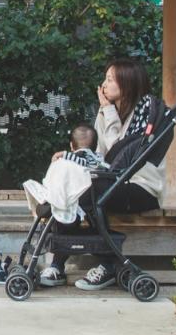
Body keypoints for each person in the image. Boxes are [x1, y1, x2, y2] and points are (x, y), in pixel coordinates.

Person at [22, 57, 165, 290]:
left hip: (140, 186)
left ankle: (108, 263)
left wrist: (108, 112)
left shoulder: (144, 110)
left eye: (110, 80)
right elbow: (97, 155)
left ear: (127, 83)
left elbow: (121, 157)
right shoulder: (110, 110)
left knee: (83, 192)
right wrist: (72, 158)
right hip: (114, 180)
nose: (104, 84)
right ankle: (58, 263)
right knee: (71, 187)